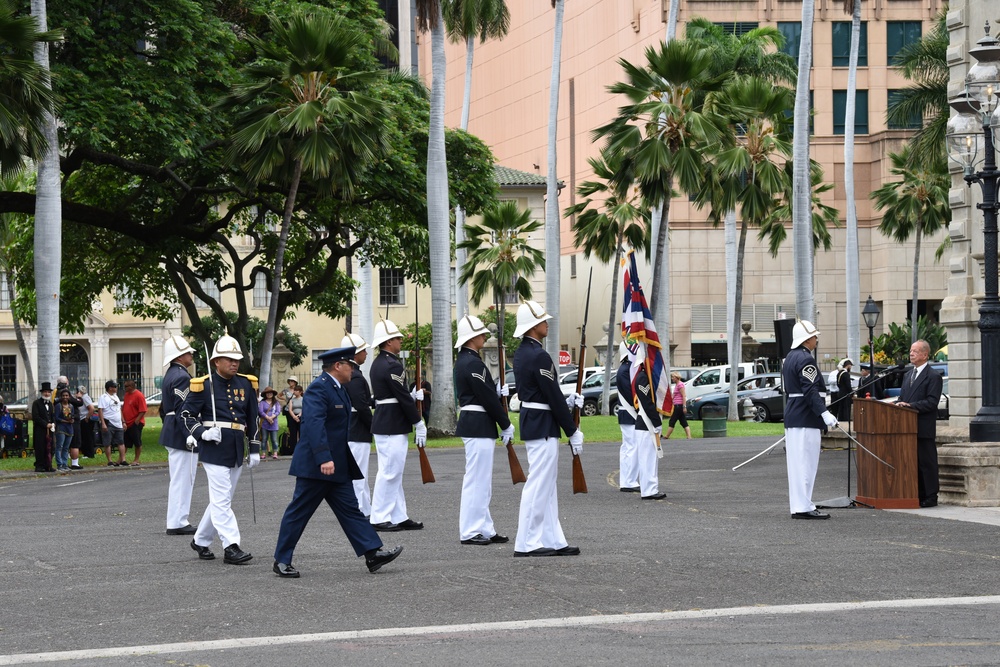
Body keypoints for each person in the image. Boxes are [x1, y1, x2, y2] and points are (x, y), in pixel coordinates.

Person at [272, 346, 403, 578]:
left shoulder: (339, 388)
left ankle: (372, 553)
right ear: (337, 366)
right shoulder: (319, 389)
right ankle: (281, 560)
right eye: (350, 365)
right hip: (317, 466)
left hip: (337, 466)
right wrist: (324, 457)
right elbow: (313, 424)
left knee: (351, 510)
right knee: (299, 512)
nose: (353, 368)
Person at [181, 335, 260, 565]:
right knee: (222, 500)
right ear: (216, 361)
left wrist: (254, 447)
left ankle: (201, 540)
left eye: (237, 359)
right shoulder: (203, 384)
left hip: (235, 447)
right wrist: (201, 433)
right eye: (229, 359)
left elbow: (253, 418)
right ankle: (231, 546)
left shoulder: (246, 383)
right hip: (213, 448)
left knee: (221, 499)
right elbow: (185, 415)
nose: (234, 363)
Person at [511, 300, 582, 557]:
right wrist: (572, 429)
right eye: (543, 320)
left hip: (537, 422)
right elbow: (551, 394)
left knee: (547, 485)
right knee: (539, 485)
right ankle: (527, 542)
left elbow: (545, 392)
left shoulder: (523, 352)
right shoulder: (538, 355)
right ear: (533, 326)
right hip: (542, 425)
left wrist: (568, 400)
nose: (547, 323)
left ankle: (553, 539)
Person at [454, 315, 514, 546]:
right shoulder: (472, 363)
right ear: (472, 338)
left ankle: (484, 527)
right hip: (478, 423)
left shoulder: (469, 361)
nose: (484, 337)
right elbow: (486, 397)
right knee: (477, 480)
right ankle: (470, 530)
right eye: (481, 334)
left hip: (478, 423)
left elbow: (486, 391)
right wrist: (505, 422)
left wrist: (497, 390)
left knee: (482, 481)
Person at [368, 319, 426, 532]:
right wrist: (418, 422)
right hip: (392, 423)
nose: (401, 340)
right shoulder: (392, 364)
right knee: (390, 472)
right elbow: (401, 397)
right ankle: (379, 517)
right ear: (389, 341)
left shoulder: (378, 363)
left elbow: (393, 393)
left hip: (386, 421)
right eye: (398, 338)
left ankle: (398, 514)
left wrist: (410, 394)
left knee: (393, 471)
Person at [782, 320, 839, 520]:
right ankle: (804, 506)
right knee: (806, 464)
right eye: (815, 336)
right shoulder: (806, 359)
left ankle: (799, 506)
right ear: (807, 339)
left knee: (797, 466)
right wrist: (823, 413)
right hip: (806, 417)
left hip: (794, 416)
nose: (816, 339)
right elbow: (810, 390)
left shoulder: (789, 357)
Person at [159, 335, 200, 536]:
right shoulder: (182, 377)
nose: (191, 354)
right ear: (179, 356)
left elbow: (165, 409)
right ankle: (178, 521)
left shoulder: (171, 374)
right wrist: (189, 433)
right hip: (180, 433)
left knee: (179, 479)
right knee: (183, 479)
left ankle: (176, 520)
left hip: (172, 429)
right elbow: (182, 409)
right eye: (188, 352)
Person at [896, 340, 944, 508]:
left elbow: (932, 402)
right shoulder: (908, 375)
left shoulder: (933, 376)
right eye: (910, 350)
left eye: (915, 351)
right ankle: (917, 493)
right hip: (906, 428)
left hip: (922, 426)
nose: (911, 354)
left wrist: (910, 406)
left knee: (926, 462)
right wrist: (898, 404)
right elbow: (903, 398)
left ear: (925, 354)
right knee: (913, 462)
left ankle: (931, 496)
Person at [342, 333, 374, 517]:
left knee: (361, 472)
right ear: (354, 353)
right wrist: (373, 425)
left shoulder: (353, 374)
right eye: (363, 350)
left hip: (354, 428)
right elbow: (361, 406)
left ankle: (365, 507)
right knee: (359, 473)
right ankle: (359, 509)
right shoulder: (354, 376)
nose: (366, 353)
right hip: (356, 428)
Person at [632, 365, 665, 500]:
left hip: (646, 423)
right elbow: (647, 403)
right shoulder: (643, 378)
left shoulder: (645, 376)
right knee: (647, 459)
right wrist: (656, 421)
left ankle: (650, 488)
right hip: (646, 423)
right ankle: (648, 490)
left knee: (650, 459)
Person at [615, 343, 639, 493]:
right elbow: (631, 395)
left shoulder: (625, 369)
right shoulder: (626, 370)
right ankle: (629, 481)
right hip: (629, 412)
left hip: (627, 413)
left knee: (627, 447)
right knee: (631, 447)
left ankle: (627, 480)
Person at [97, 380, 127, 467]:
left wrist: (123, 421)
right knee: (107, 442)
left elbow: (119, 410)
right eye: (115, 387)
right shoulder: (103, 397)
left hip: (118, 423)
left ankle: (123, 459)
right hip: (109, 422)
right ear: (110, 388)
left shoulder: (116, 397)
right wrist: (103, 423)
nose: (116, 388)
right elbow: (100, 410)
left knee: (121, 442)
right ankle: (110, 460)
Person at [57, 376, 84, 467]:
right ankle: (73, 464)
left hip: (65, 422)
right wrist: (80, 398)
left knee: (63, 445)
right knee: (73, 443)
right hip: (69, 422)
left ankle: (63, 463)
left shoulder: (55, 392)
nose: (65, 397)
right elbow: (79, 403)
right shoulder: (65, 393)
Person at [31, 382, 55, 472]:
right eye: (45, 392)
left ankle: (48, 464)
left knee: (49, 447)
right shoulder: (36, 403)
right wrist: (45, 424)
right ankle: (39, 465)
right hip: (40, 430)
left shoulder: (51, 404)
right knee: (40, 447)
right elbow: (36, 417)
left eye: (48, 392)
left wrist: (53, 423)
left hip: (50, 430)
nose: (47, 394)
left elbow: (53, 416)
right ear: (42, 393)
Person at [122, 380, 147, 465]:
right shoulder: (126, 395)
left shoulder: (139, 395)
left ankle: (136, 460)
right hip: (127, 423)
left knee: (137, 442)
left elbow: (143, 410)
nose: (124, 388)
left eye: (126, 386)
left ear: (131, 387)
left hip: (135, 423)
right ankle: (122, 459)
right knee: (125, 442)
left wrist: (137, 421)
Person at [663, 371, 692, 440]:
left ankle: (667, 436)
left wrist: (684, 407)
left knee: (672, 421)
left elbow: (683, 396)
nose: (672, 378)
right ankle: (689, 436)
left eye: (673, 377)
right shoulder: (677, 385)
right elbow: (674, 396)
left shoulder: (680, 385)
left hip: (679, 406)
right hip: (676, 405)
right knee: (683, 421)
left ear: (677, 377)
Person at [54, 389, 76, 471]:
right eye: (63, 396)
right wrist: (65, 421)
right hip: (61, 428)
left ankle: (65, 464)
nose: (65, 397)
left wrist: (72, 420)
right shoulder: (58, 406)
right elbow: (57, 417)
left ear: (69, 396)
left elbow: (73, 415)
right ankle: (59, 464)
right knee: (59, 446)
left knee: (66, 448)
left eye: (66, 395)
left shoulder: (71, 406)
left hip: (69, 428)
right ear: (61, 397)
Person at [258, 387, 281, 460]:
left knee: (274, 439)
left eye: (270, 393)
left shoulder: (276, 402)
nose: (269, 394)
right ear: (265, 394)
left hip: (274, 423)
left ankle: (275, 452)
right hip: (265, 423)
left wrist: (272, 417)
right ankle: (264, 453)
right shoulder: (262, 402)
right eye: (267, 393)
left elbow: (278, 411)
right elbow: (261, 412)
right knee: (264, 439)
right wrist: (268, 418)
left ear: (273, 394)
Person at [77, 386, 97, 459]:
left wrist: (87, 417)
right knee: (85, 437)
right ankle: (86, 452)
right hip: (83, 418)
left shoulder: (85, 398)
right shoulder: (83, 397)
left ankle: (89, 453)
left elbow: (91, 408)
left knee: (87, 437)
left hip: (85, 419)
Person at [287, 385, 304, 452]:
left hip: (301, 416)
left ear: (300, 392)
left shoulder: (303, 399)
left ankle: (301, 448)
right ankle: (293, 449)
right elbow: (290, 409)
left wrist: (299, 416)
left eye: (296, 390)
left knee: (301, 433)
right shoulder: (292, 400)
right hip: (293, 416)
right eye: (294, 390)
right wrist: (294, 416)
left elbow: (304, 408)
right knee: (293, 433)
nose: (295, 392)